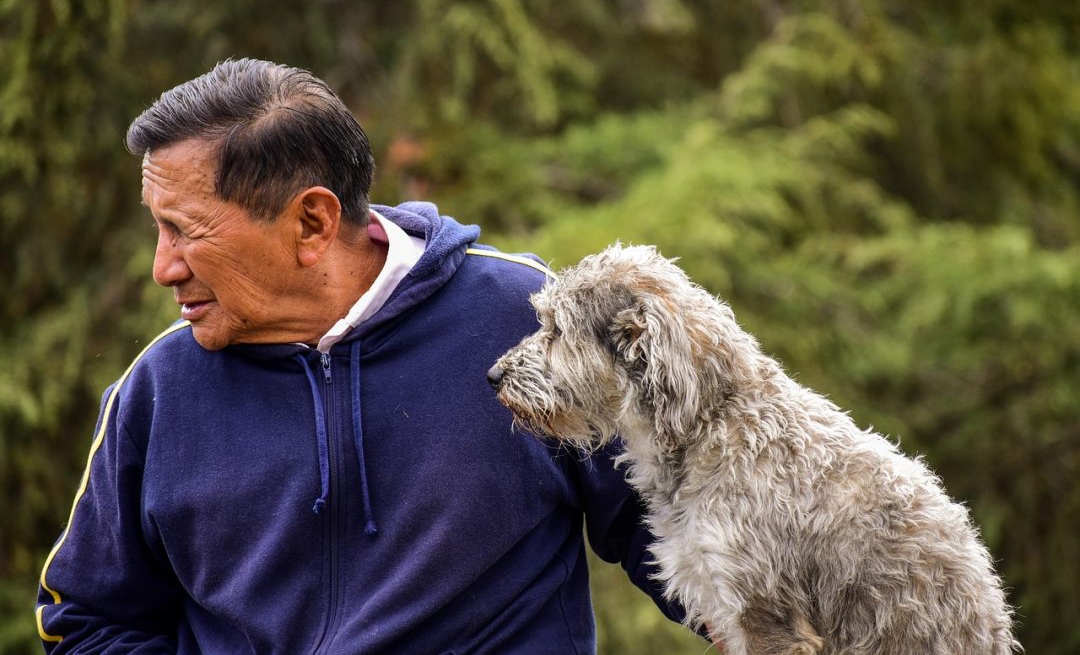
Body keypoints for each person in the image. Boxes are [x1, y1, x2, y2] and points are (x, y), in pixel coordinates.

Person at [35, 58, 693, 653]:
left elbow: (682, 525)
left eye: (184, 229)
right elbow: (87, 619)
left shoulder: (526, 319)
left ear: (313, 223)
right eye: (157, 226)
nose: (162, 267)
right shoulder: (157, 392)